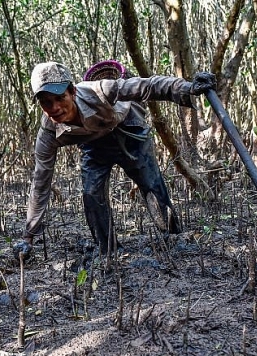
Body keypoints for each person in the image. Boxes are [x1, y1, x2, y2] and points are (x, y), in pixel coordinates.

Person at [14, 61, 215, 260]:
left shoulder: (100, 90)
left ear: (73, 92)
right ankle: (107, 250)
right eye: (46, 102)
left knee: (151, 184)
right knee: (91, 193)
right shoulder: (48, 133)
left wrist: (188, 88)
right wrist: (28, 237)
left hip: (128, 128)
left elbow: (148, 85)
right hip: (94, 143)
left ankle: (173, 237)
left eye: (60, 98)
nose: (55, 108)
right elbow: (40, 184)